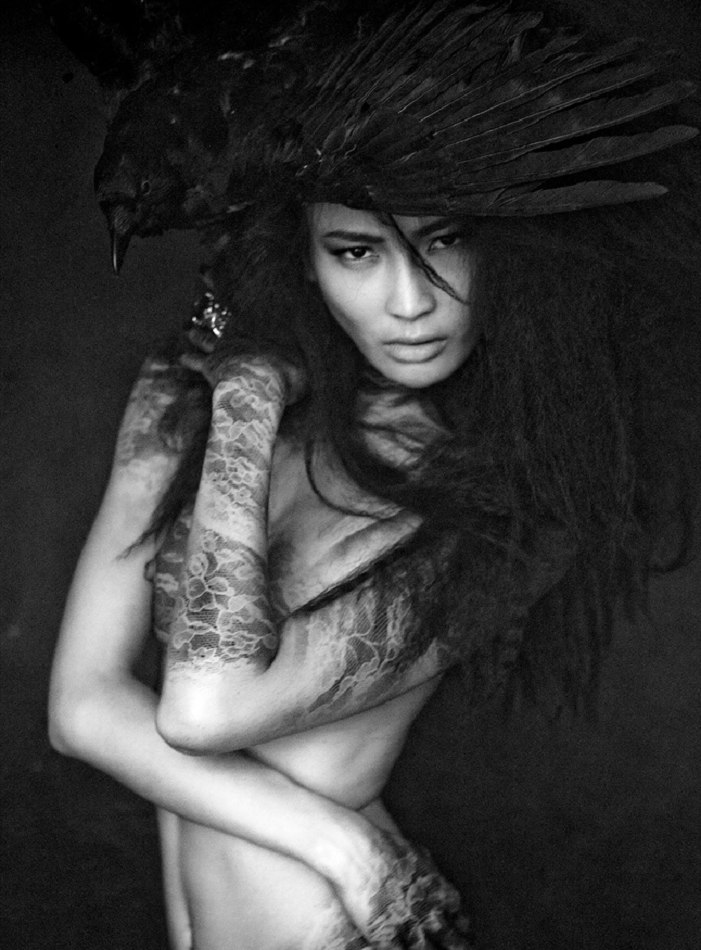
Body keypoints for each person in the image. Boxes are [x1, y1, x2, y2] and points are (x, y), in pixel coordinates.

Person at [48, 2, 699, 948]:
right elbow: (80, 708)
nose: (409, 302)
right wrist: (349, 849)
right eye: (355, 250)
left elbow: (202, 708)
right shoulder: (176, 399)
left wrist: (247, 395)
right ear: (300, 258)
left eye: (445, 240)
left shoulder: (519, 496)